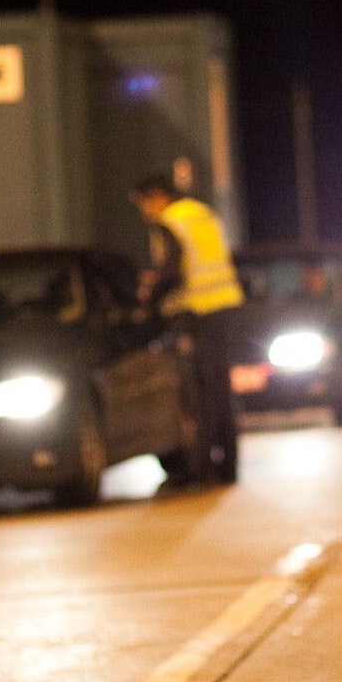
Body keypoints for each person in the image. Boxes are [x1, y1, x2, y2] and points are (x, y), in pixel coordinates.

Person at [129, 174, 245, 484]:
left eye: (143, 204)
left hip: (198, 314)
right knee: (221, 391)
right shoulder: (201, 212)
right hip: (226, 306)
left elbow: (172, 273)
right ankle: (228, 466)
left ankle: (203, 469)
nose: (144, 213)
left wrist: (148, 302)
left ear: (156, 197)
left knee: (200, 396)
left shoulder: (171, 221)